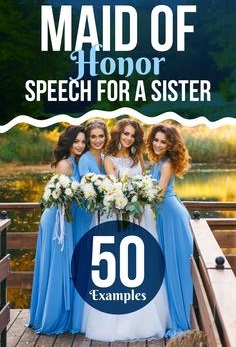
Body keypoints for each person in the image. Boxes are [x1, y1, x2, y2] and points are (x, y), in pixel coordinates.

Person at [81, 119, 171, 342]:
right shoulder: (109, 160)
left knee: (141, 264)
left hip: (142, 215)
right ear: (119, 134)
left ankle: (143, 320)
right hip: (119, 214)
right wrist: (131, 199)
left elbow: (146, 182)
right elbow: (114, 189)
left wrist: (142, 198)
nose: (129, 138)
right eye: (125, 134)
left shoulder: (138, 158)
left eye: (132, 135)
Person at [28, 125, 86, 334]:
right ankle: (55, 318)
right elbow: (64, 198)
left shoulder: (76, 162)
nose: (80, 145)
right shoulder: (65, 164)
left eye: (82, 141)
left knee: (62, 265)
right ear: (68, 142)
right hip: (57, 220)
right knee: (58, 266)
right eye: (76, 141)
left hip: (65, 218)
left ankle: (56, 314)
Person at [147, 124, 193, 338]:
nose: (158, 144)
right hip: (165, 219)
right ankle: (172, 316)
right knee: (168, 266)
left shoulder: (166, 164)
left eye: (163, 141)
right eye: (155, 140)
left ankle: (181, 322)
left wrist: (130, 195)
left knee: (176, 268)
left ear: (170, 145)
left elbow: (157, 194)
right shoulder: (157, 162)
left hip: (173, 218)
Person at [71, 119, 109, 333]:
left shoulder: (105, 157)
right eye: (93, 137)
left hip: (102, 213)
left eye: (100, 136)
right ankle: (81, 319)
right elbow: (90, 190)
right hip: (86, 214)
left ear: (106, 136)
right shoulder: (85, 159)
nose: (97, 140)